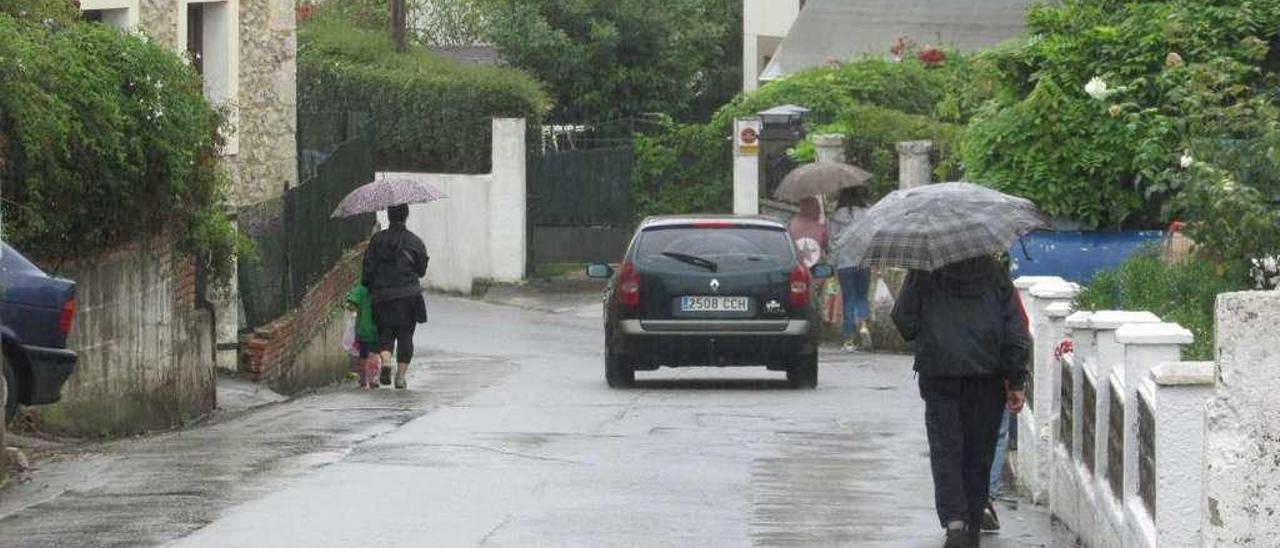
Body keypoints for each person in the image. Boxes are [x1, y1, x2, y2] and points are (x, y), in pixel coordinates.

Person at [891, 256, 1030, 548]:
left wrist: (928, 328)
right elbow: (1015, 329)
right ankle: (973, 524)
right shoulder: (995, 273)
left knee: (946, 448)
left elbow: (904, 321)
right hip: (987, 377)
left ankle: (955, 520)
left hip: (939, 374)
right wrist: (1016, 379)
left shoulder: (923, 270)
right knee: (979, 453)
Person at [362, 204, 429, 389]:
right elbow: (422, 270)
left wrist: (370, 287)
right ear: (406, 216)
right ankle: (400, 377)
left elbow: (367, 272)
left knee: (385, 333)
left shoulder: (376, 240)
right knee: (406, 335)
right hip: (409, 296)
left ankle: (386, 362)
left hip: (382, 296)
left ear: (388, 216)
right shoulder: (415, 241)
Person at [827, 187, 872, 352]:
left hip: (845, 263)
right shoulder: (868, 213)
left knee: (849, 300)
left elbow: (833, 243)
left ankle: (849, 340)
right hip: (864, 261)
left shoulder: (835, 217)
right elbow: (872, 237)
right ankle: (864, 327)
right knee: (862, 297)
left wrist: (832, 265)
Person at [345, 283, 381, 389]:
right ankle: (373, 378)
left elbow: (351, 305)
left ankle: (363, 379)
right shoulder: (382, 284)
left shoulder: (361, 288)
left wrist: (356, 308)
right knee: (374, 353)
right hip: (379, 326)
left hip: (363, 326)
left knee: (363, 354)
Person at [787, 196, 827, 269]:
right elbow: (826, 245)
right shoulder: (820, 228)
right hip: (816, 270)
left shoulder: (791, 225)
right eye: (818, 208)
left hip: (797, 269)